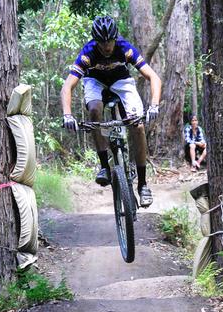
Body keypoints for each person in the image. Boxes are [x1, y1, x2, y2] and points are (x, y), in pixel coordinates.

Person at [60, 16, 162, 207]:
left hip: (121, 82)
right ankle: (105, 167)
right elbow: (67, 86)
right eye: (102, 42)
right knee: (94, 110)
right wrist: (67, 114)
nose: (106, 46)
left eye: (110, 41)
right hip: (95, 82)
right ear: (95, 41)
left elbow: (153, 77)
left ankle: (142, 185)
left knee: (138, 126)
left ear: (116, 38)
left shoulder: (125, 48)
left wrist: (154, 105)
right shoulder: (87, 53)